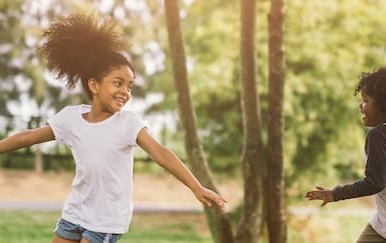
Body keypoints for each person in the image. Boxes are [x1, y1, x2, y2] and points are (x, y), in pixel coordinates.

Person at [0, 13, 226, 243]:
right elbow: (27, 137)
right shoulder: (71, 119)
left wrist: (196, 187)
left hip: (106, 220)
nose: (125, 91)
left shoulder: (128, 123)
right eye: (118, 83)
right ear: (94, 85)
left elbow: (161, 153)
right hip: (75, 212)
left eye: (129, 85)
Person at [305, 65, 386, 242]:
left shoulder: (378, 135)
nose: (361, 106)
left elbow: (375, 183)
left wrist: (336, 194)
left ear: (384, 106)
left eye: (366, 101)